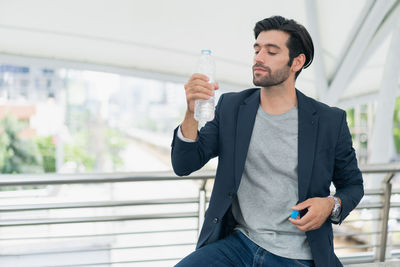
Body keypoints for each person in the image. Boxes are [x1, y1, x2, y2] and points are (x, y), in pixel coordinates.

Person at [171, 15, 364, 267]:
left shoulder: (329, 121)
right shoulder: (231, 108)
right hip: (238, 244)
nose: (259, 58)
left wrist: (330, 204)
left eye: (271, 52)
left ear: (297, 62)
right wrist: (191, 112)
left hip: (297, 255)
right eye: (257, 49)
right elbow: (183, 164)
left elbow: (353, 186)